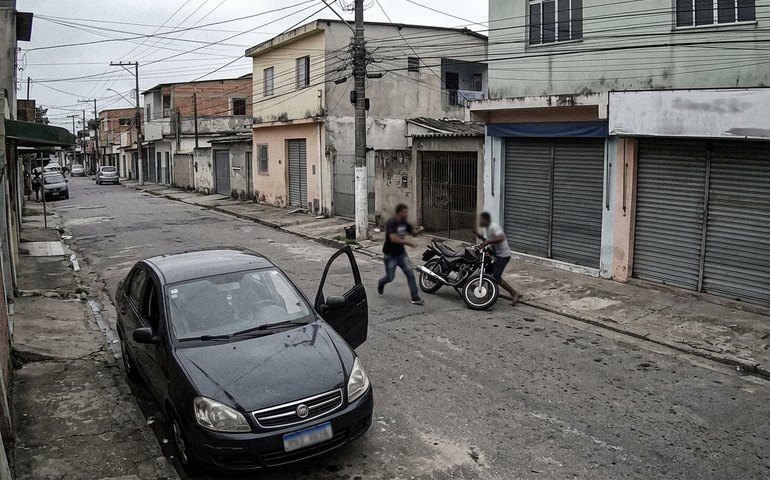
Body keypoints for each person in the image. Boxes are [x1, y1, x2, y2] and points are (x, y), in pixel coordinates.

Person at [377, 204, 425, 305]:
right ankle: (381, 283)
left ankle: (415, 297)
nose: (407, 214)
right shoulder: (392, 222)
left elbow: (413, 233)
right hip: (390, 255)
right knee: (390, 277)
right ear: (399, 212)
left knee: (410, 274)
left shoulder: (404, 223)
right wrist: (409, 243)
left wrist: (419, 231)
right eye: (405, 212)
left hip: (401, 254)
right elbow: (393, 238)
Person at [478, 212, 520, 305]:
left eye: (481, 219)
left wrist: (487, 242)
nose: (479, 221)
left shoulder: (494, 227)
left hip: (503, 256)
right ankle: (491, 292)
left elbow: (501, 238)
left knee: (496, 277)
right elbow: (490, 245)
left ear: (485, 219)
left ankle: (514, 293)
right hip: (497, 255)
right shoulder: (487, 230)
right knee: (488, 271)